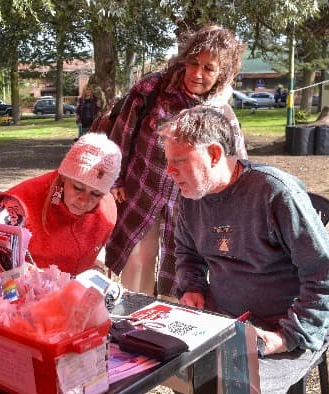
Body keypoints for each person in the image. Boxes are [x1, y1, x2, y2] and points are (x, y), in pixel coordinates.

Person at [158, 106, 329, 394]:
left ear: (214, 154)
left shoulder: (275, 193)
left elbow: (326, 279)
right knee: (169, 367)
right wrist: (193, 287)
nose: (169, 172)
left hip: (283, 328)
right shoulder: (190, 199)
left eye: (178, 161)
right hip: (226, 322)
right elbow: (187, 254)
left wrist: (285, 336)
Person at [0, 132, 134, 394]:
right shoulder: (21, 203)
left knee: (99, 330)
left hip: (63, 298)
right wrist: (15, 269)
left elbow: (85, 250)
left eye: (95, 194)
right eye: (78, 187)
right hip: (15, 300)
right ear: (63, 176)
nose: (84, 200)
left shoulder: (104, 209)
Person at [104, 24, 248, 300]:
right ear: (184, 60)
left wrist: (232, 207)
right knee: (137, 263)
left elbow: (237, 164)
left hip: (190, 206)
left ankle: (164, 332)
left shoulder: (221, 113)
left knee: (180, 275)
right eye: (193, 63)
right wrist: (116, 178)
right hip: (142, 192)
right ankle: (131, 323)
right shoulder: (153, 88)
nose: (197, 74)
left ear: (222, 74)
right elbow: (121, 133)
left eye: (209, 68)